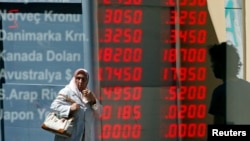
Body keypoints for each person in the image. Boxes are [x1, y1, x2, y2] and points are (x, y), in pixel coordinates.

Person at [50, 68, 102, 141]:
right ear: (74, 79)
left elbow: (100, 113)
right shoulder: (66, 92)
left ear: (87, 81)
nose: (80, 81)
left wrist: (93, 100)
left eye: (83, 79)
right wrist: (69, 109)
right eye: (78, 78)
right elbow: (54, 107)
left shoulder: (89, 95)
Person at [208, 42, 250, 124]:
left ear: (221, 64)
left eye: (213, 62)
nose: (212, 66)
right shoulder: (247, 87)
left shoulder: (220, 92)